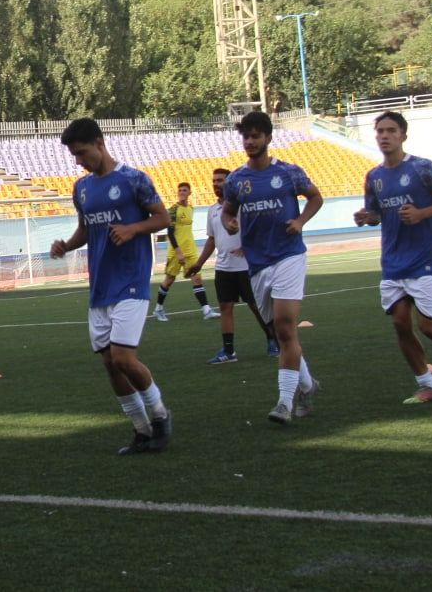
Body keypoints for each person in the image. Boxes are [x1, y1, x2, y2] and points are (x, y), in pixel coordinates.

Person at [50, 118, 173, 455]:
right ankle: (141, 429)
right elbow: (86, 229)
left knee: (123, 358)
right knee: (109, 363)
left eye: (82, 152)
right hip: (100, 287)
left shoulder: (133, 179)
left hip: (131, 281)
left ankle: (160, 414)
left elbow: (163, 218)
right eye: (74, 155)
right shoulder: (82, 188)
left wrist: (133, 229)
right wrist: (66, 245)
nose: (79, 161)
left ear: (99, 143)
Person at [354, 111, 432, 404]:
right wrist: (367, 217)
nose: (384, 136)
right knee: (400, 324)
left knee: (428, 327)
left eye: (391, 130)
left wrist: (422, 213)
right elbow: (377, 213)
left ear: (403, 135)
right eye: (380, 131)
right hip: (392, 260)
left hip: (424, 258)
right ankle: (428, 386)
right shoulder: (373, 177)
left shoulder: (422, 168)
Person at [221, 111, 323, 425]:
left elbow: (315, 197)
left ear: (268, 138)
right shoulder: (236, 180)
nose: (250, 142)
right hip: (257, 264)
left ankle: (284, 403)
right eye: (246, 137)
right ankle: (308, 385)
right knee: (280, 334)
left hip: (289, 256)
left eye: (255, 136)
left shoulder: (289, 173)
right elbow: (227, 212)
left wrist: (301, 221)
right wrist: (229, 222)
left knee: (285, 326)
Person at [186, 168, 278, 364]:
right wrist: (199, 263)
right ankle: (229, 351)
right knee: (225, 307)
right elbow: (212, 239)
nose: (216, 184)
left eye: (220, 180)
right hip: (223, 268)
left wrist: (247, 247)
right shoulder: (213, 210)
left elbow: (259, 230)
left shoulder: (244, 207)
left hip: (247, 267)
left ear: (230, 183)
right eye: (214, 181)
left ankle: (273, 340)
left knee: (257, 307)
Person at [153, 182, 217, 322]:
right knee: (169, 280)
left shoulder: (191, 209)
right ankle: (158, 308)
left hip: (191, 250)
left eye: (184, 190)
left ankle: (206, 310)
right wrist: (178, 251)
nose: (182, 192)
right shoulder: (173, 210)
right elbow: (170, 232)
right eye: (180, 190)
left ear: (189, 193)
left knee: (197, 278)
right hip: (176, 251)